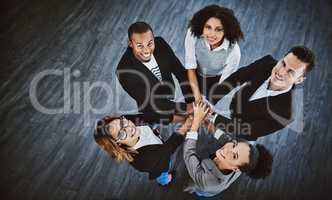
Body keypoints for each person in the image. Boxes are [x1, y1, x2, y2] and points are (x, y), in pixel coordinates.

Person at [209, 46, 315, 140]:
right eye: (283, 63)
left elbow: (249, 130)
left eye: (291, 72)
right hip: (234, 107)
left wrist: (213, 117)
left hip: (244, 131)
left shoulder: (286, 113)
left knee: (224, 146)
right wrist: (209, 101)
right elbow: (235, 79)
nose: (281, 72)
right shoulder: (266, 63)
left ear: (299, 80)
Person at [183, 102, 273, 197]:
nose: (227, 149)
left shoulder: (208, 182)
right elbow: (225, 139)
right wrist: (207, 122)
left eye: (234, 156)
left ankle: (193, 189)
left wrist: (196, 122)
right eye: (234, 145)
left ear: (235, 169)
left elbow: (189, 154)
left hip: (206, 188)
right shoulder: (239, 155)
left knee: (196, 187)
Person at [117, 22, 194, 124]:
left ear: (153, 38)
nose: (146, 51)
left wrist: (191, 102)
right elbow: (151, 102)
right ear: (131, 44)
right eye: (140, 46)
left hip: (167, 90)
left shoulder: (160, 43)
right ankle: (183, 121)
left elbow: (180, 72)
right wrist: (186, 108)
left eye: (150, 43)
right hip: (150, 104)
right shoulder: (124, 71)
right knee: (155, 113)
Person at [94, 114, 193, 186]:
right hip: (159, 165)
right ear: (118, 143)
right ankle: (165, 181)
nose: (128, 128)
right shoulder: (144, 159)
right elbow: (170, 146)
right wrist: (187, 124)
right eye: (121, 134)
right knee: (163, 174)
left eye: (122, 122)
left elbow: (149, 117)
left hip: (160, 149)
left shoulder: (129, 120)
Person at [184, 5, 243, 103]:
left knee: (205, 108)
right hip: (193, 73)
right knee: (189, 103)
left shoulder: (234, 53)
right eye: (208, 27)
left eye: (218, 29)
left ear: (226, 31)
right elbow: (190, 66)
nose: (212, 34)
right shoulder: (193, 33)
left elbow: (223, 85)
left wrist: (208, 104)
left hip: (215, 80)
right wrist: (197, 97)